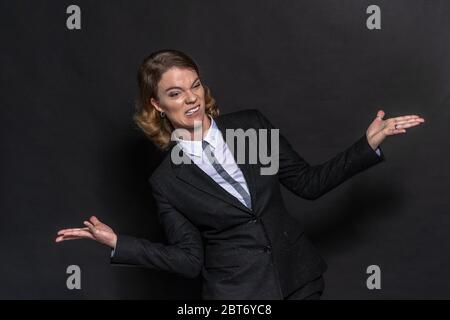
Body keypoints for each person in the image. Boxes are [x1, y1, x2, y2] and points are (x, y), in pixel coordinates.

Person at [55, 49, 425, 299]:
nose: (191, 98)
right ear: (157, 104)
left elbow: (309, 184)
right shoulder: (166, 181)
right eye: (175, 92)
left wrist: (366, 144)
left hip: (298, 280)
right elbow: (188, 260)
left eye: (195, 85)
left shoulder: (252, 128)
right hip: (238, 295)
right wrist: (119, 243)